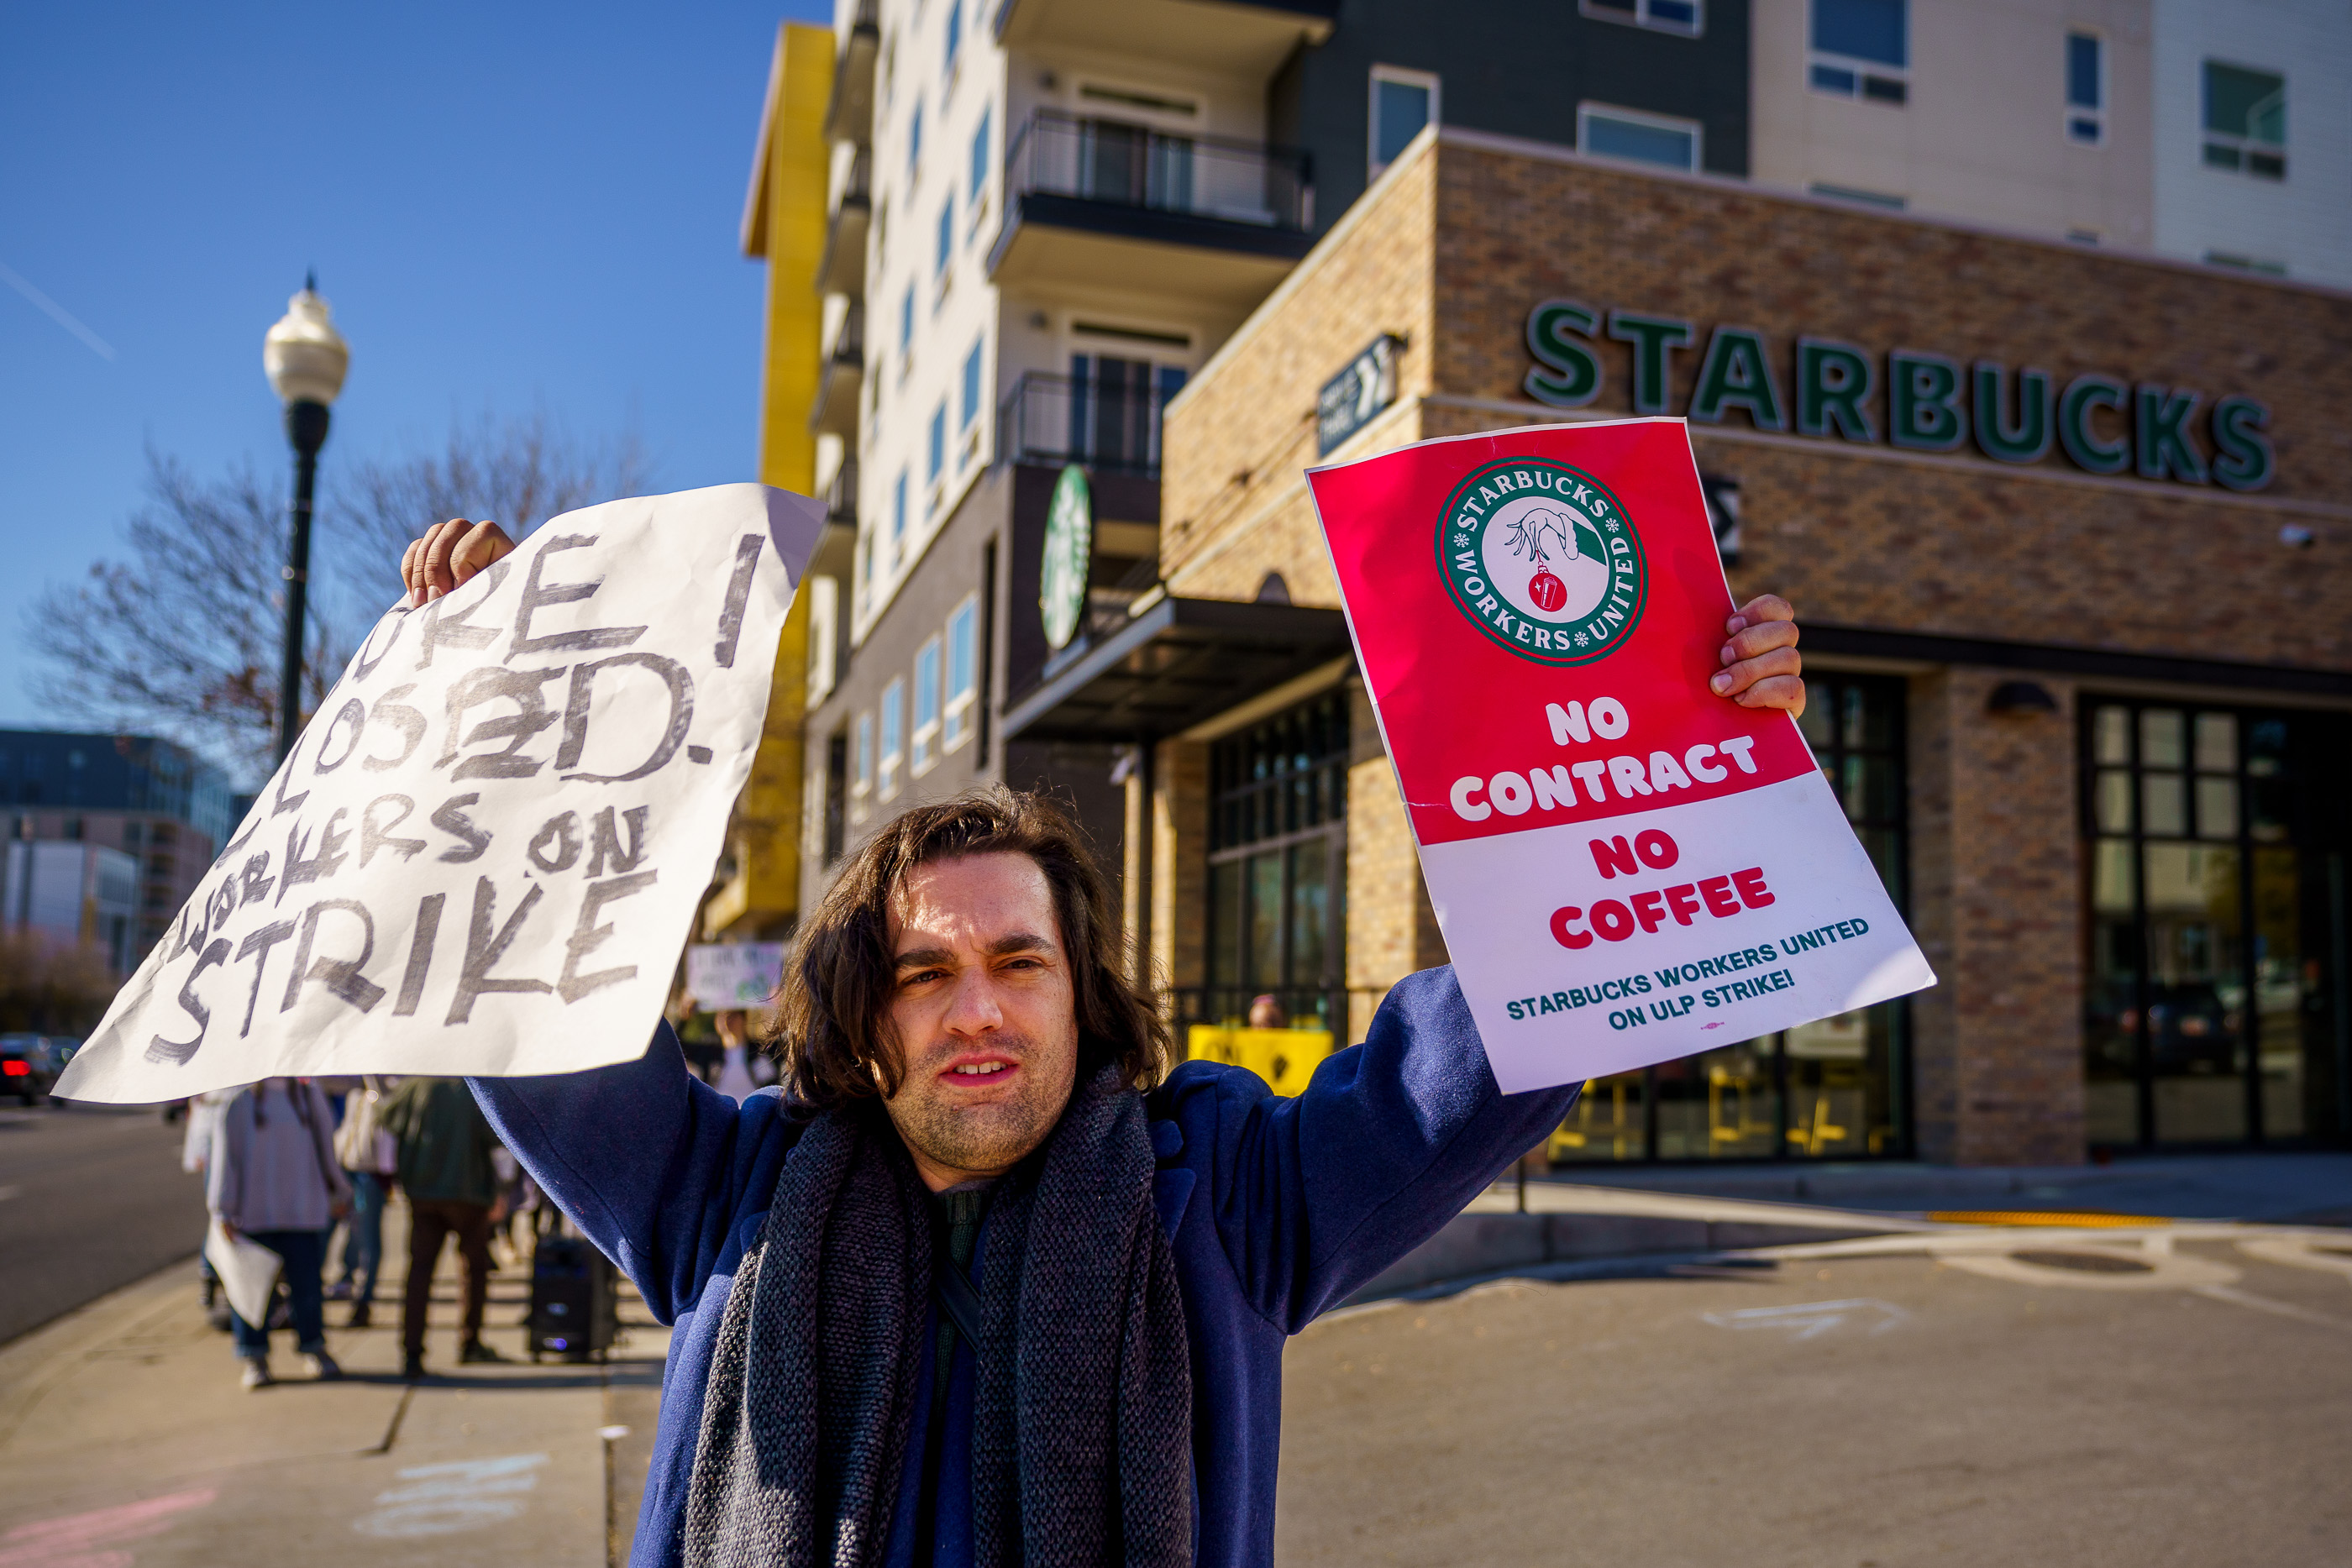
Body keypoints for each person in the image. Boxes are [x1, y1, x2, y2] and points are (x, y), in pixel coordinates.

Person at [402, 518, 1805, 1567]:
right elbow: (520, 992)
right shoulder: (726, 1193)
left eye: (1022, 962)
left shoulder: (1226, 1191)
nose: (979, 1007)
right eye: (923, 972)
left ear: (1088, 994)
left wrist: (1689, 736)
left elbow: (1508, 1029)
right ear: (858, 1008)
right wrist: (498, 706)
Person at [204, 1078, 351, 1390]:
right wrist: (222, 1209)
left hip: (303, 1211)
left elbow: (328, 1148)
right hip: (253, 1215)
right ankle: (254, 1356)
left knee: (307, 1289)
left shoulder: (309, 1096)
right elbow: (224, 1159)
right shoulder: (239, 1100)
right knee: (253, 1293)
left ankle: (313, 1347)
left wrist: (340, 1190)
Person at [381, 1076, 508, 1380]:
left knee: (420, 1272)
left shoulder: (417, 1084)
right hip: (469, 1192)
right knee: (473, 1270)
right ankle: (470, 1341)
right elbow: (497, 1139)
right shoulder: (474, 1083)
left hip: (425, 1192)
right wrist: (502, 1189)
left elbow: (385, 1122)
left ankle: (412, 1352)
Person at [328, 1075, 398, 1329]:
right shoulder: (354, 1093)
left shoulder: (387, 1088)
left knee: (368, 1236)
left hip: (370, 1173)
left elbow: (385, 1096)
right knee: (336, 1229)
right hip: (345, 1170)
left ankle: (364, 1299)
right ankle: (345, 1276)